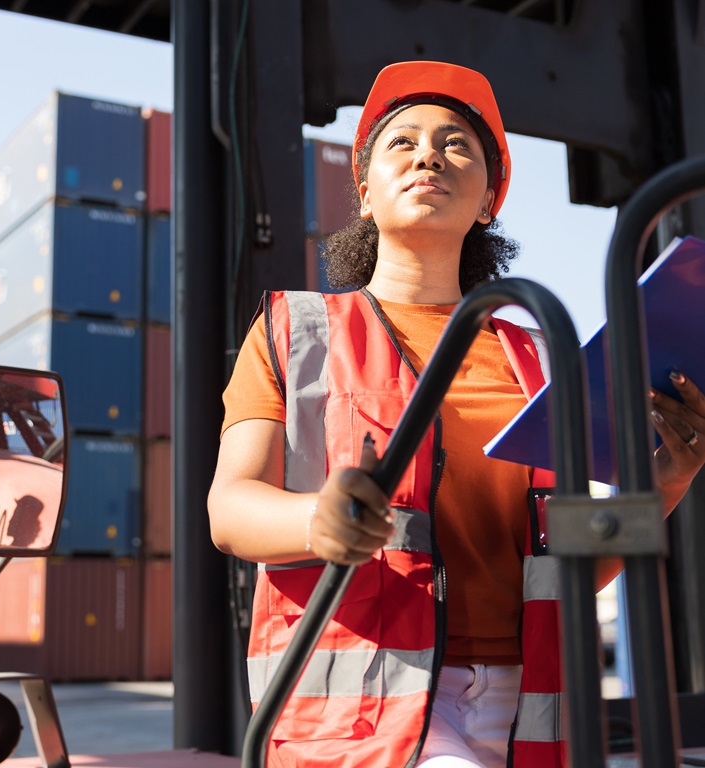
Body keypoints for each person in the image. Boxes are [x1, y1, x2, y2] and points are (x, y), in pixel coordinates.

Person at [208, 60, 705, 768]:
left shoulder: (543, 355)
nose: (428, 155)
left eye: (455, 144)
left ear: (485, 203)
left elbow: (564, 570)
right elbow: (228, 513)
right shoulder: (295, 331)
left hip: (531, 698)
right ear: (365, 191)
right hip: (374, 703)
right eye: (401, 143)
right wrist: (315, 521)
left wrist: (665, 485)